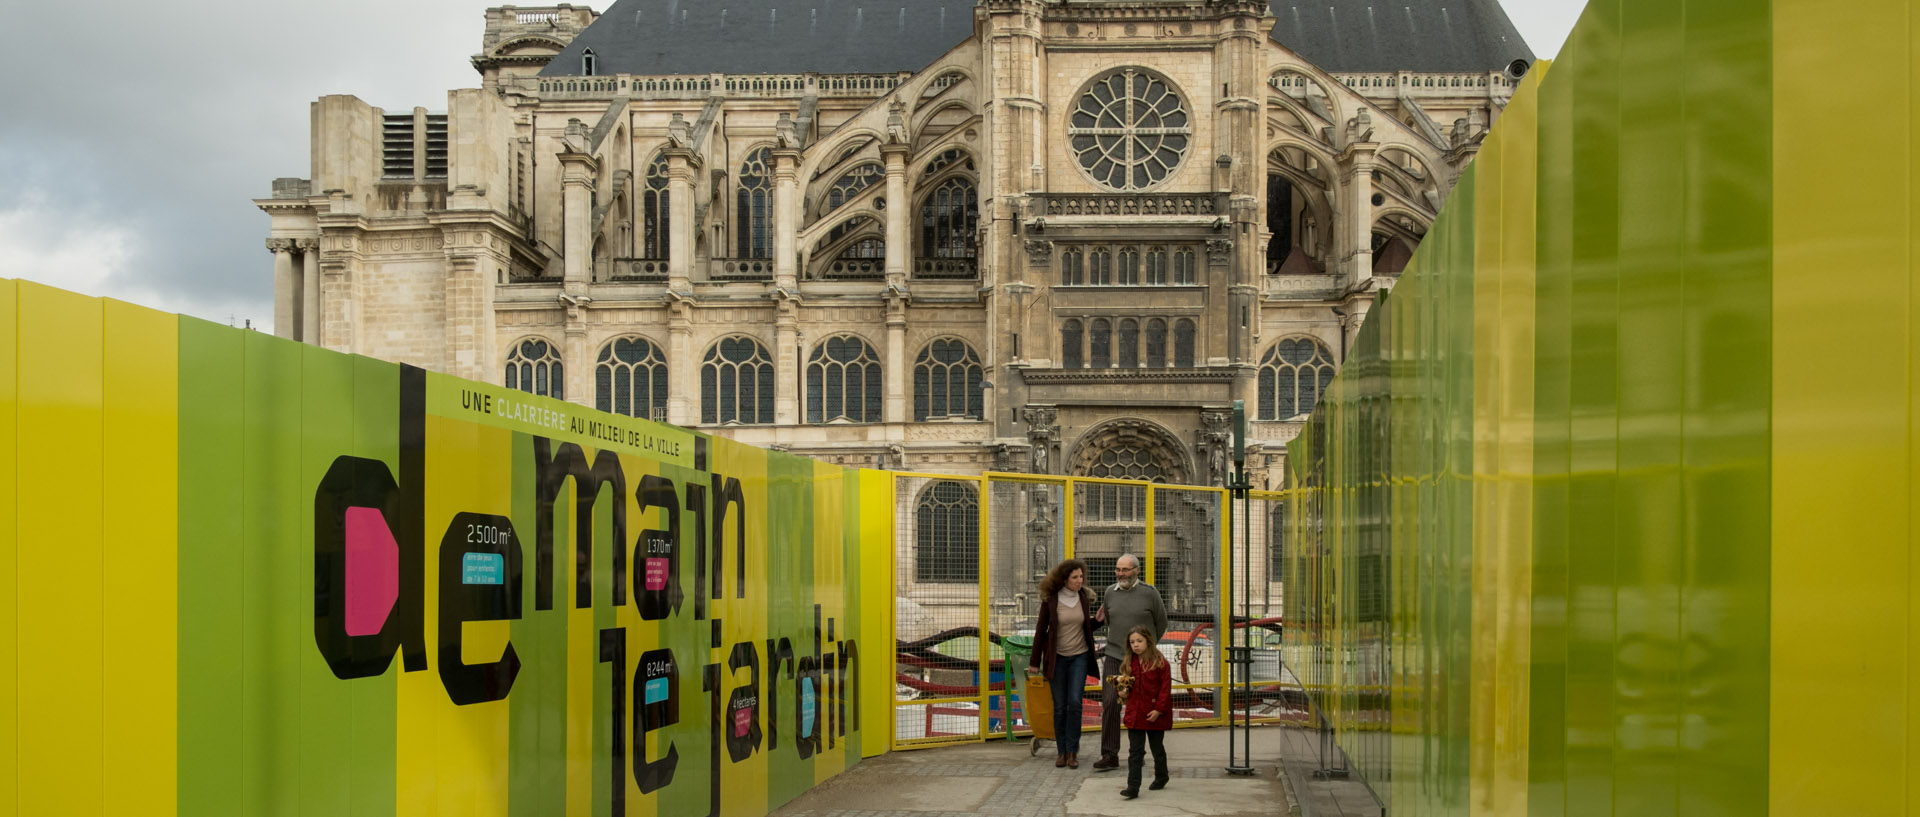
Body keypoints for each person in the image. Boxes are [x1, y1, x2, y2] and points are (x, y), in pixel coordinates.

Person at [1090, 554, 1168, 771]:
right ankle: (1109, 754)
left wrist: (1147, 648)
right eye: (1118, 569)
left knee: (1141, 704)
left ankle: (1137, 753)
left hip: (1142, 660)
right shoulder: (1109, 593)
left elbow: (1161, 622)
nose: (1121, 574)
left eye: (1125, 570)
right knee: (1111, 703)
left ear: (1137, 570)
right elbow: (1108, 621)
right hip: (1116, 657)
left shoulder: (1150, 594)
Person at [1028, 558, 1099, 768]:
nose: (1080, 580)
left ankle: (1072, 751)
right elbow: (1041, 631)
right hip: (1057, 659)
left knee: (1075, 703)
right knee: (1059, 706)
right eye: (1075, 577)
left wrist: (1099, 619)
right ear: (1065, 579)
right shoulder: (1051, 600)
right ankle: (1061, 751)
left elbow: (1086, 627)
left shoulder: (1084, 597)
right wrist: (1034, 661)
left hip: (1080, 656)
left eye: (1081, 576)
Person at [1118, 625, 1172, 799]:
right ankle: (1133, 786)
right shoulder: (1129, 663)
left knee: (1157, 748)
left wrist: (1159, 710)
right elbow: (1125, 688)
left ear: (1148, 641)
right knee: (1135, 751)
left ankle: (1162, 776)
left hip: (1155, 714)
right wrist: (1122, 692)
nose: (1136, 645)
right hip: (1135, 714)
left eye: (1139, 641)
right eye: (1132, 642)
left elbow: (1165, 689)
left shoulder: (1161, 663)